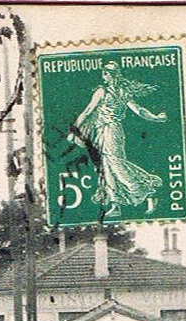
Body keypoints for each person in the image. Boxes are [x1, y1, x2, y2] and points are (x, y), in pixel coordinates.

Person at [67, 61, 168, 218]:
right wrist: (155, 118)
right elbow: (139, 111)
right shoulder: (120, 92)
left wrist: (74, 129)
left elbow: (87, 111)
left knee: (116, 164)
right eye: (103, 73)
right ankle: (115, 205)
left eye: (106, 73)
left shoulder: (106, 92)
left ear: (112, 75)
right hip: (103, 131)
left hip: (111, 130)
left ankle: (147, 192)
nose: (103, 76)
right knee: (106, 166)